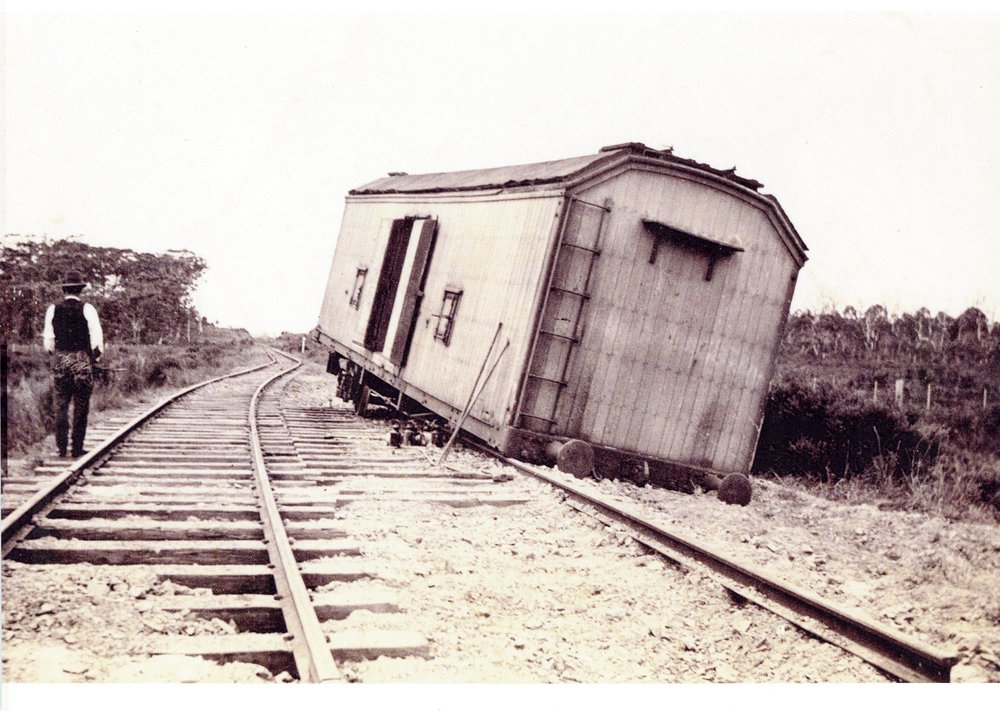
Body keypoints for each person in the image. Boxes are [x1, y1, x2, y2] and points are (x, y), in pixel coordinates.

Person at [42, 272, 104, 458]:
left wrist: (58, 356)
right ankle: (77, 448)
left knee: (60, 405)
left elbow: (49, 342)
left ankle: (61, 448)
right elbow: (97, 339)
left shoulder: (52, 309)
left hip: (61, 360)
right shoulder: (88, 309)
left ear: (64, 289)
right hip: (82, 361)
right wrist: (94, 359)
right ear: (80, 290)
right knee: (81, 405)